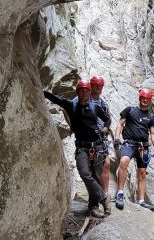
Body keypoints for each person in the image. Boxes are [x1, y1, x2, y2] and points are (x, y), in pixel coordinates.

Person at [43, 79, 110, 218]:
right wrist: (41, 91)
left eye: (86, 91)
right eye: (82, 90)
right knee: (85, 173)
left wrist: (105, 128)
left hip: (96, 146)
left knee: (96, 177)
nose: (84, 93)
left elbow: (107, 118)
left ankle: (93, 207)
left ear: (89, 92)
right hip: (82, 147)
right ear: (77, 92)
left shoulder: (95, 107)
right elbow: (56, 99)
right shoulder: (71, 105)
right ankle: (103, 197)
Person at [113, 88, 154, 209]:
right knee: (124, 162)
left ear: (149, 101)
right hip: (129, 144)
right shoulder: (130, 111)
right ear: (140, 98)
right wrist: (117, 138)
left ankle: (141, 201)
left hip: (143, 146)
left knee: (142, 173)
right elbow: (120, 123)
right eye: (143, 98)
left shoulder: (150, 117)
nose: (145, 100)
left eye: (147, 99)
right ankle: (120, 193)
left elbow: (153, 133)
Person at [89, 75, 113, 202]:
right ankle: (96, 197)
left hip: (101, 137)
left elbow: (108, 118)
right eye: (96, 85)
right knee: (93, 167)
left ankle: (105, 194)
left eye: (100, 86)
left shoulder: (103, 103)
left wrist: (106, 128)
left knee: (106, 164)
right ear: (91, 86)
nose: (98, 88)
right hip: (89, 137)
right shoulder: (84, 99)